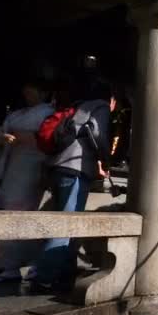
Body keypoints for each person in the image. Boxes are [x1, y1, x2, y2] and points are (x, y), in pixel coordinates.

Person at [33, 75, 114, 289]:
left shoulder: (78, 106)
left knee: (66, 220)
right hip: (76, 168)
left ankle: (65, 273)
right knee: (66, 224)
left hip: (58, 167)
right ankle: (44, 277)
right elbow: (98, 134)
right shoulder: (101, 106)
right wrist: (106, 158)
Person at [0, 81, 54, 283]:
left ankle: (11, 266)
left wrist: (25, 139)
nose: (28, 96)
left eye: (31, 91)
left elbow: (48, 140)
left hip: (31, 169)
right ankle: (2, 265)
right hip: (11, 168)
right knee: (5, 212)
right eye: (25, 92)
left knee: (20, 214)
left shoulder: (48, 113)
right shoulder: (16, 114)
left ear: (43, 92)